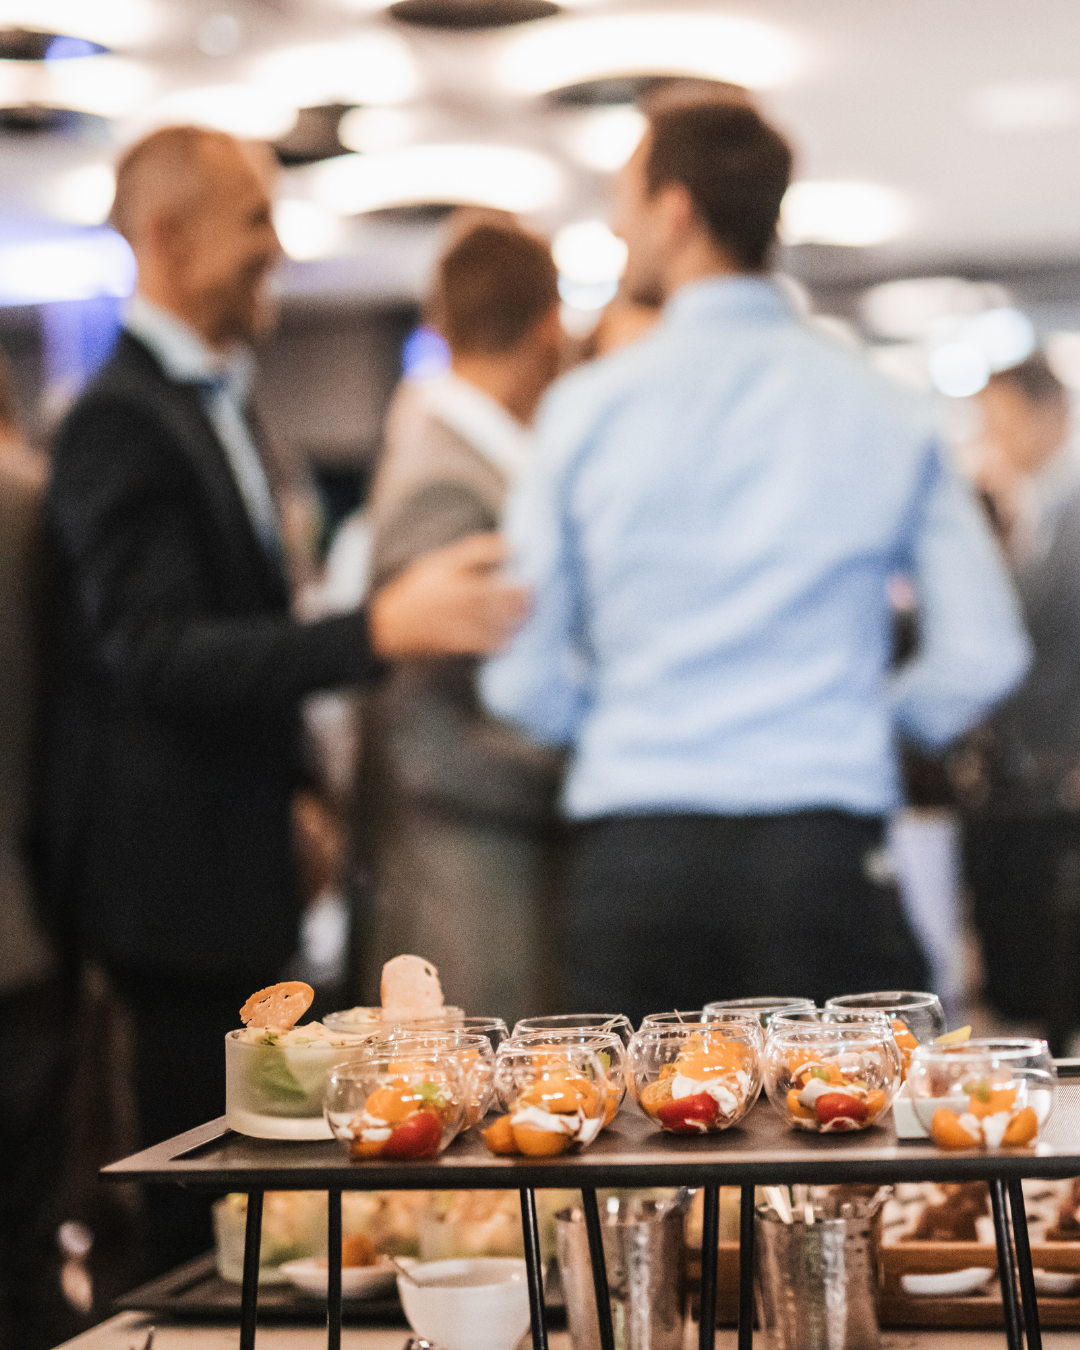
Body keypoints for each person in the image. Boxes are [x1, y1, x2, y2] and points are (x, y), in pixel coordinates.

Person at [40, 125, 528, 1274]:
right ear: (167, 235)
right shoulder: (119, 417)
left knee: (250, 1211)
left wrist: (301, 791)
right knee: (187, 1231)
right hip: (168, 893)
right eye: (255, 218)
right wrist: (378, 629)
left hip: (236, 869)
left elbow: (232, 629)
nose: (279, 246)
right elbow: (155, 653)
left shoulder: (220, 403)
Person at [481, 98, 1030, 1022]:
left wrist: (621, 722)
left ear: (677, 212)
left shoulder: (586, 409)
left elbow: (520, 677)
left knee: (633, 1159)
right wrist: (862, 726)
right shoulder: (884, 407)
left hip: (638, 853)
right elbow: (984, 653)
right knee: (850, 1159)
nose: (618, 228)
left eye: (626, 199)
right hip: (822, 847)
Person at [359, 222, 565, 1025]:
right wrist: (580, 776)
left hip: (486, 858)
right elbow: (427, 733)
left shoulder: (477, 460)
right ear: (550, 329)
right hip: (469, 878)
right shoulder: (445, 480)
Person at [952, 354, 1080, 1051]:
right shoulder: (1038, 512)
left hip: (1061, 782)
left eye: (998, 420)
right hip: (1029, 788)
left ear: (1049, 411)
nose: (990, 438)